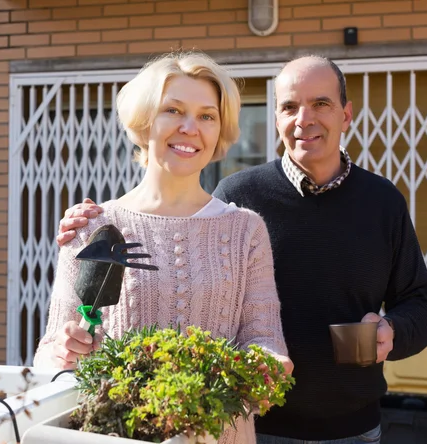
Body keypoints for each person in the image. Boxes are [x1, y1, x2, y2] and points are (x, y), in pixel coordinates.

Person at [56, 55, 427, 444]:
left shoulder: (380, 201)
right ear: (276, 117)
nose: (304, 119)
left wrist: (392, 331)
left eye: (321, 104)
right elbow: (59, 351)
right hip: (256, 425)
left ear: (346, 114)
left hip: (350, 429)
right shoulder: (241, 198)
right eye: (289, 106)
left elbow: (419, 303)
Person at [34, 51, 293, 444]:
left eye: (207, 116)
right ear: (145, 122)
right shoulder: (93, 227)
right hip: (117, 436)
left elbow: (264, 338)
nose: (191, 127)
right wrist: (64, 352)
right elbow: (49, 353)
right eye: (173, 110)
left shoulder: (245, 231)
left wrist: (269, 364)